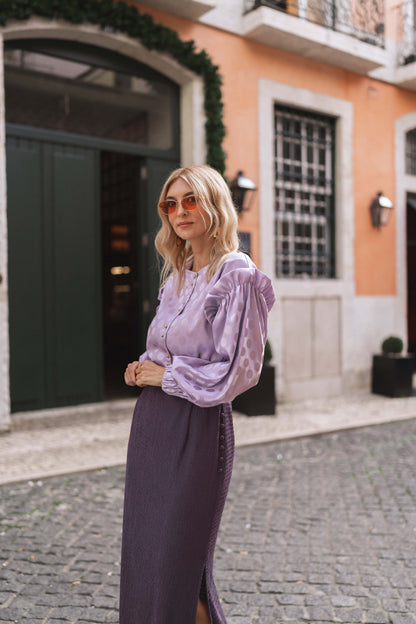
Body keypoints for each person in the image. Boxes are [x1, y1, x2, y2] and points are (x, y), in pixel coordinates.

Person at [120, 164, 275, 624]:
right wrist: (142, 369)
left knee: (181, 566)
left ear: (214, 204)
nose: (180, 211)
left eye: (191, 199)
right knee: (146, 552)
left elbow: (239, 372)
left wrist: (163, 376)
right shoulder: (179, 277)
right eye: (171, 203)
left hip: (197, 427)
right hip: (153, 425)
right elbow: (166, 352)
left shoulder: (236, 274)